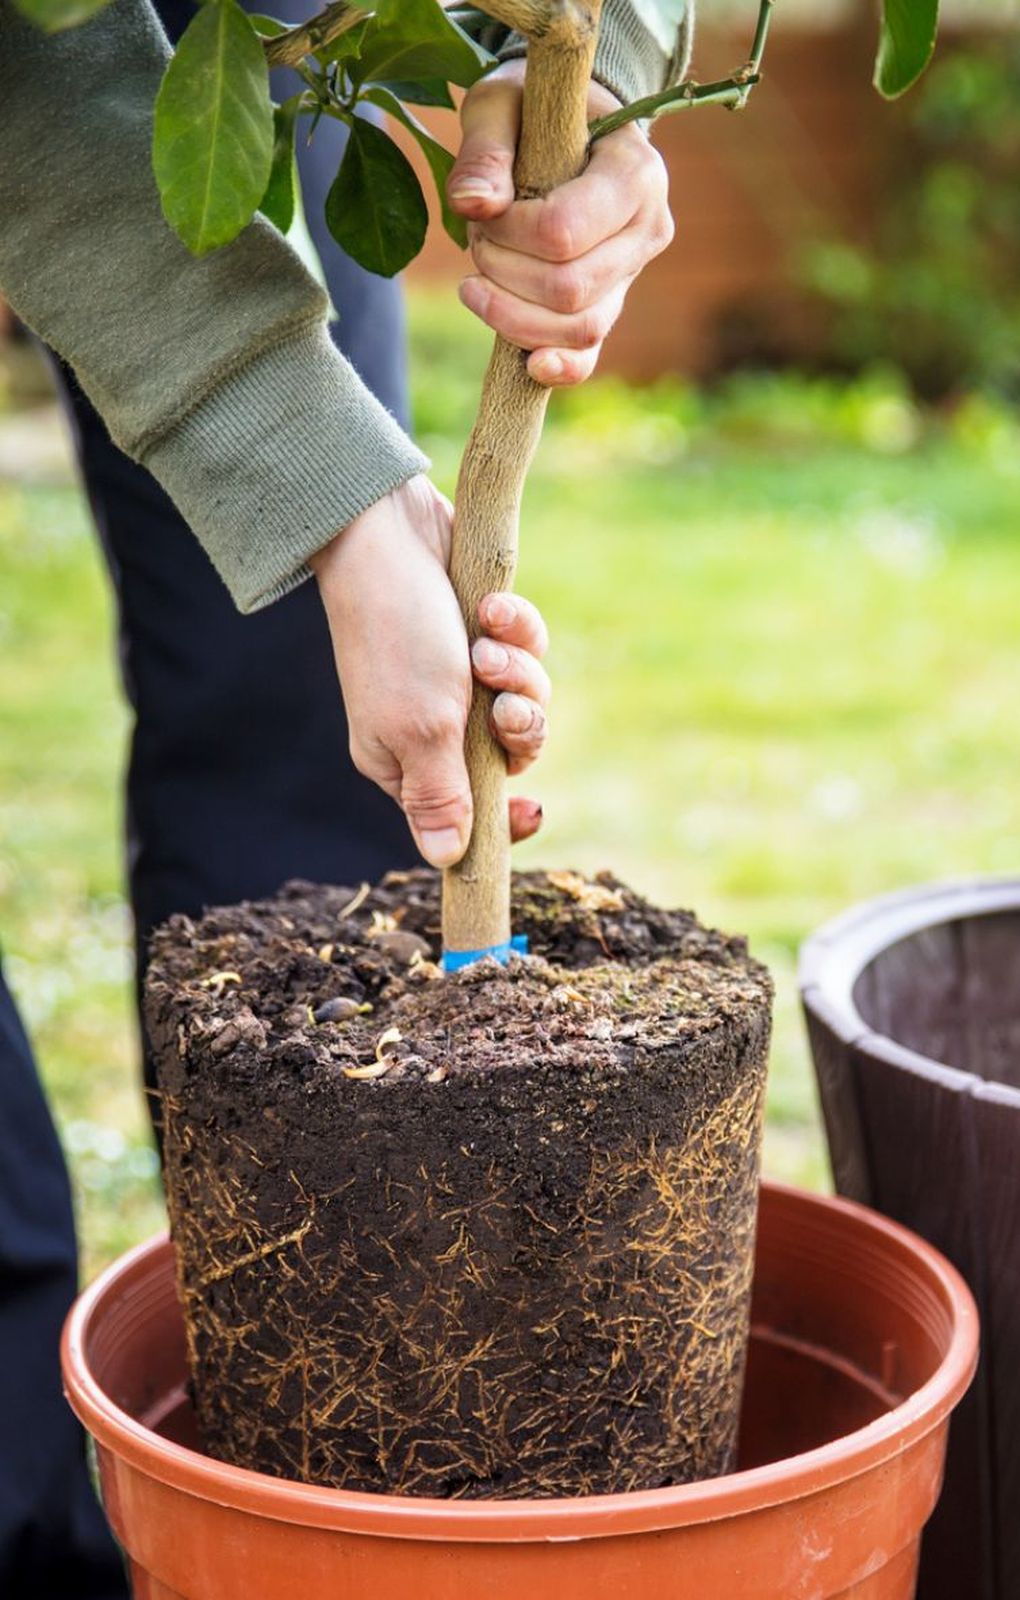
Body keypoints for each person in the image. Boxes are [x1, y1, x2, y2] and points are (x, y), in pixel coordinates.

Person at [0, 0, 686, 1591]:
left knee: (303, 700)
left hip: (284, 32)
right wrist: (330, 488)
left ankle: (323, 1473)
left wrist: (602, 82)